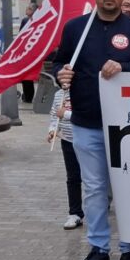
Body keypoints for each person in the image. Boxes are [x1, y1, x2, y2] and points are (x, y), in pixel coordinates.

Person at [52, 0, 130, 260]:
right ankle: (99, 248)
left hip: (128, 127)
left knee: (128, 189)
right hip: (87, 122)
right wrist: (61, 73)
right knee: (95, 190)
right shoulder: (76, 28)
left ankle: (129, 250)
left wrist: (124, 66)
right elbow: (60, 62)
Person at [47, 88, 83, 230]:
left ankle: (100, 206)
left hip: (87, 140)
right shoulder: (58, 94)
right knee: (73, 177)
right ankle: (75, 213)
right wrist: (52, 130)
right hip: (67, 140)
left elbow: (89, 115)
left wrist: (66, 114)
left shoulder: (84, 90)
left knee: (94, 178)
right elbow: (54, 115)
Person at [20, 4, 39, 103]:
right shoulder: (25, 20)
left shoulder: (37, 20)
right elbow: (21, 35)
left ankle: (28, 96)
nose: (27, 9)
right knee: (26, 76)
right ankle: (27, 96)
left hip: (32, 51)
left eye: (30, 8)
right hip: (26, 51)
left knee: (28, 76)